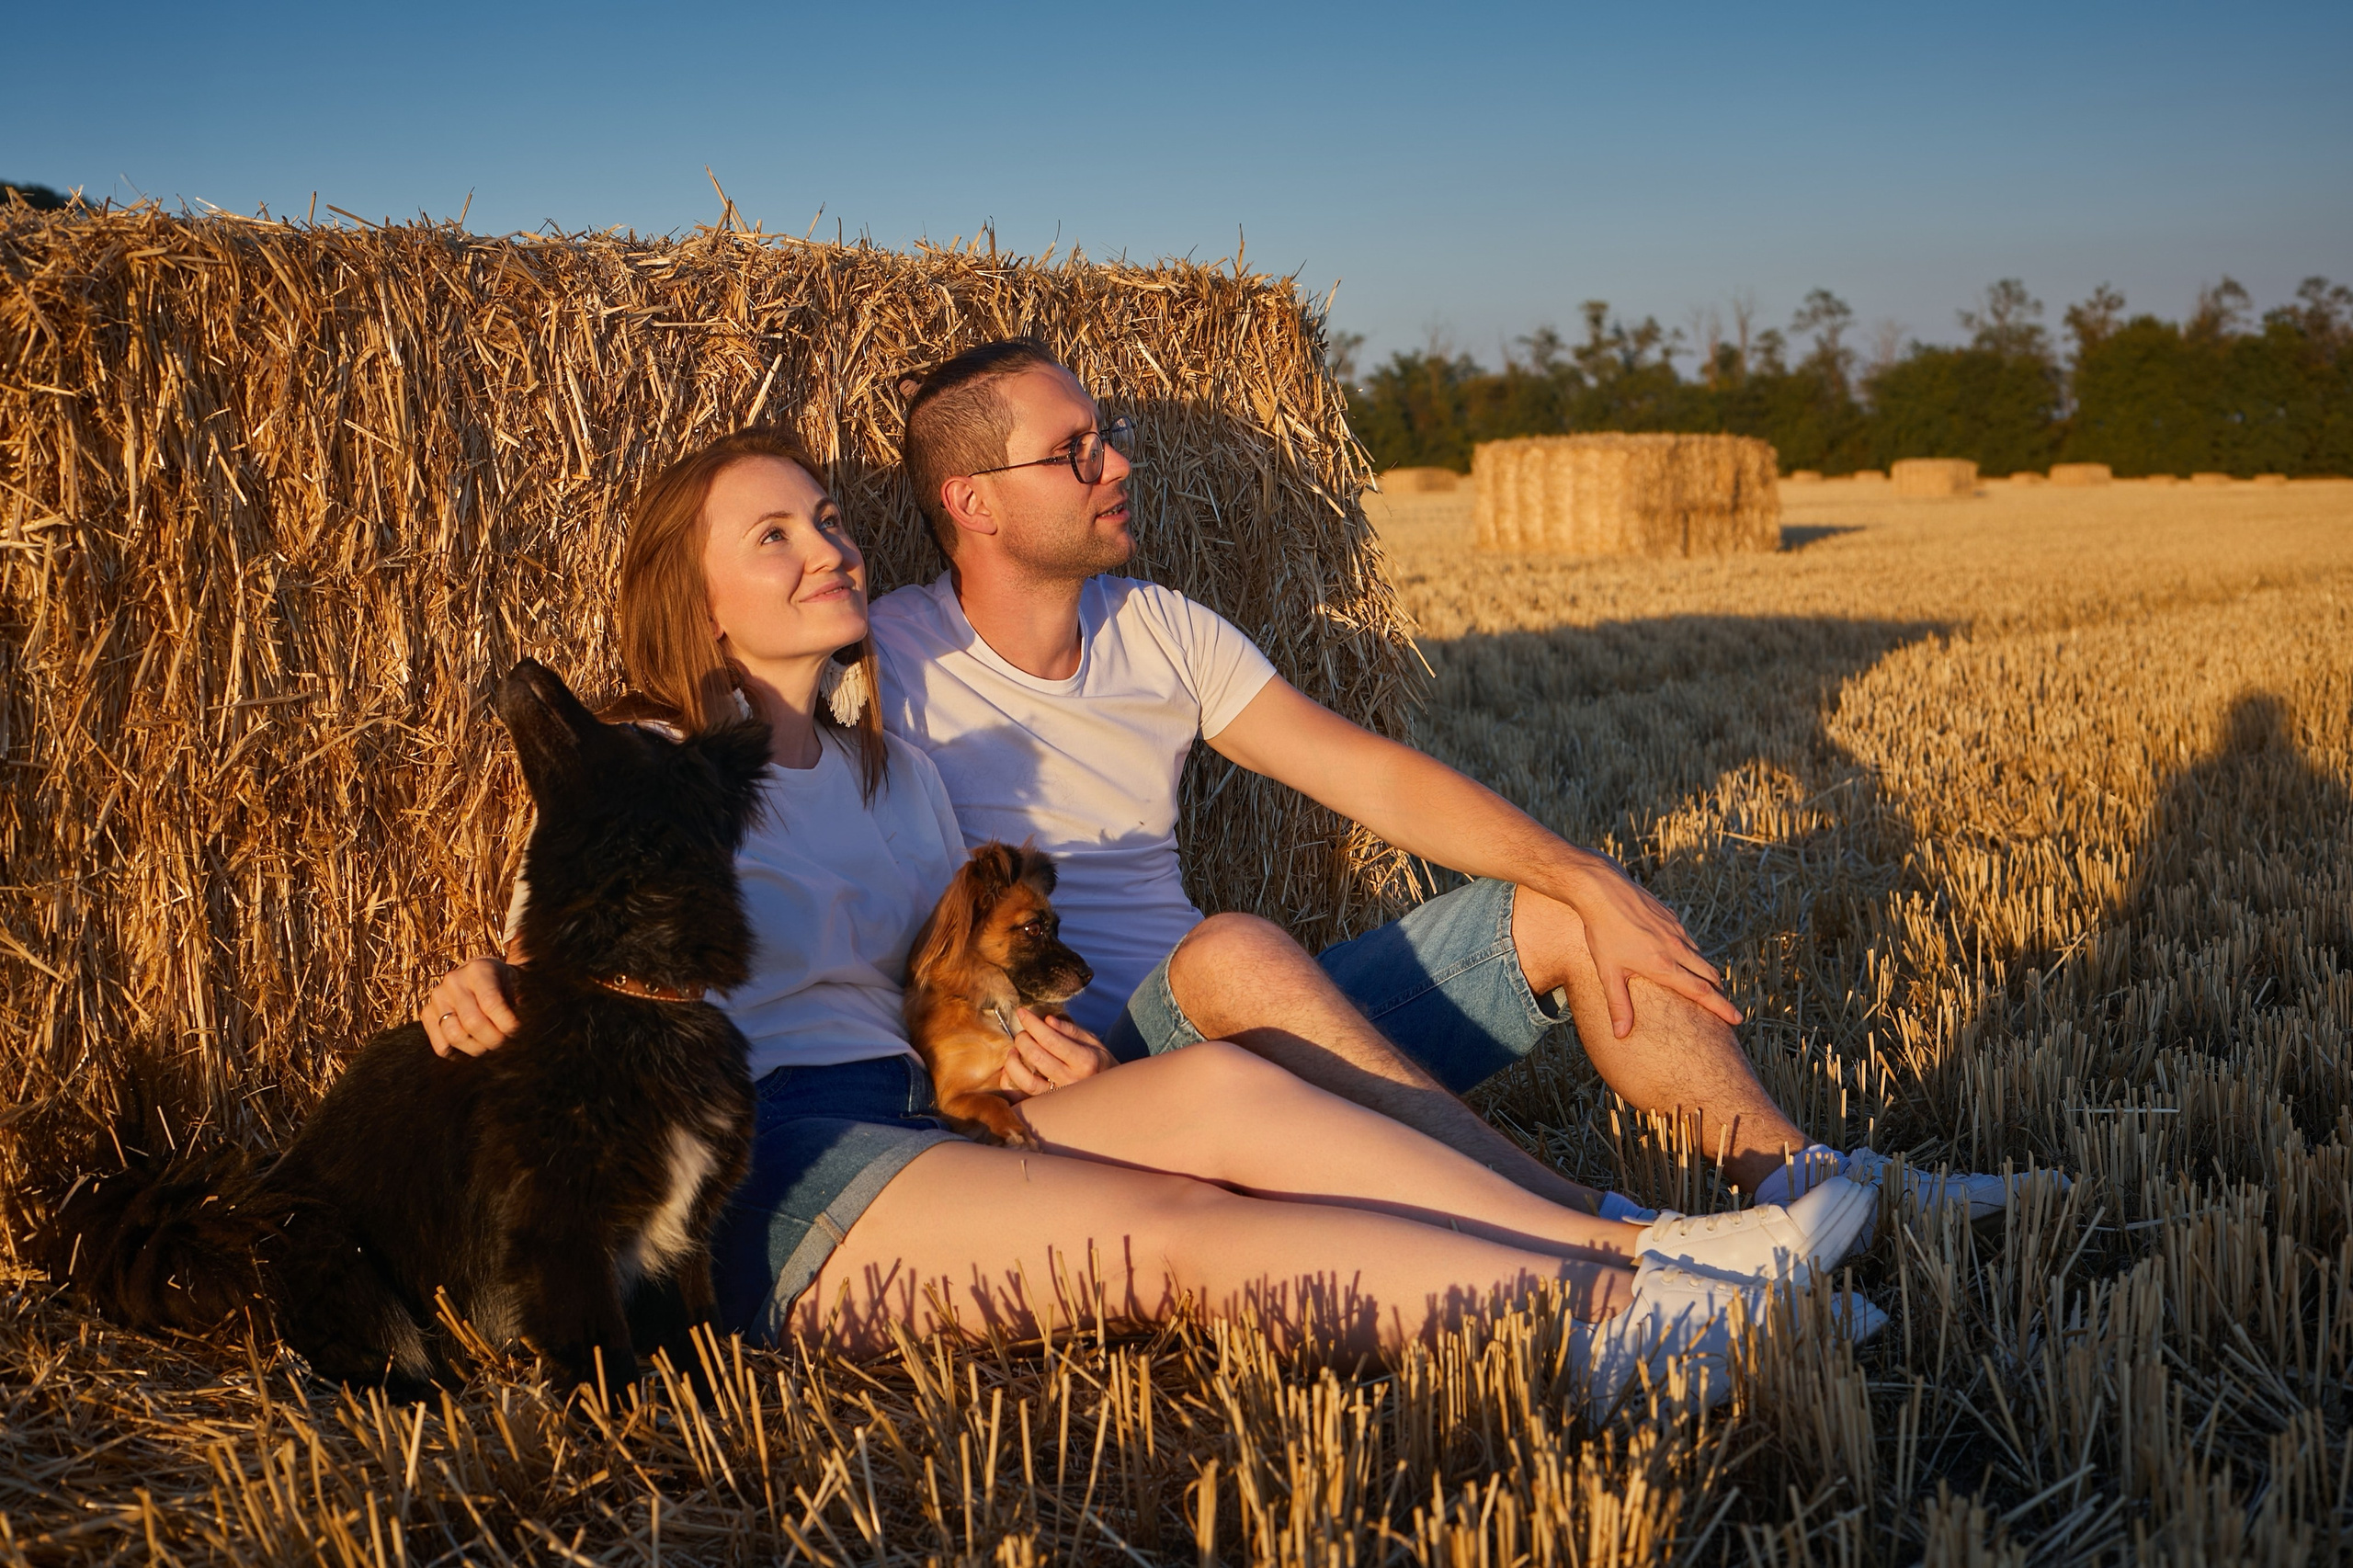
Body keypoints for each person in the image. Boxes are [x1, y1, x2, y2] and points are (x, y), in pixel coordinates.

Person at [420, 427, 1884, 1409]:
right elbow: (566, 969)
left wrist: (1011, 1038)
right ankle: (1621, 1337)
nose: (827, 547)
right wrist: (475, 990)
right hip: (769, 1172)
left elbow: (934, 988)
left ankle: (1646, 1257)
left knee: (1229, 1088)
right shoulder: (648, 760)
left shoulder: (896, 773)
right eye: (772, 536)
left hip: (920, 1115)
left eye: (826, 517)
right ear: (696, 595)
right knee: (1173, 1236)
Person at [862, 336, 2039, 1221]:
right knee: (1232, 949)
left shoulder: (1161, 628)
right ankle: (1589, 1229)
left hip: (1235, 1023)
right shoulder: (889, 664)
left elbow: (1371, 777)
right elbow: (837, 894)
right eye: (1073, 452)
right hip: (1088, 1073)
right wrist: (1004, 1028)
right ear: (972, 501)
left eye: (1106, 433)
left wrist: (1581, 874)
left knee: (1562, 908)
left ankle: (1808, 1186)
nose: (1114, 462)